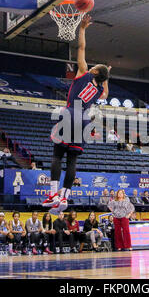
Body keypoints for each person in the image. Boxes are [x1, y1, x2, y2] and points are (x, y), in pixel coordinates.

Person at [43, 14, 111, 215]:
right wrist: (107, 76)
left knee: (57, 154)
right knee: (73, 160)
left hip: (71, 112)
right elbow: (106, 92)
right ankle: (65, 196)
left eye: (95, 67)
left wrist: (82, 29)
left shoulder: (84, 73)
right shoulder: (99, 90)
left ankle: (54, 194)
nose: (91, 66)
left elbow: (80, 48)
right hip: (84, 120)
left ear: (95, 73)